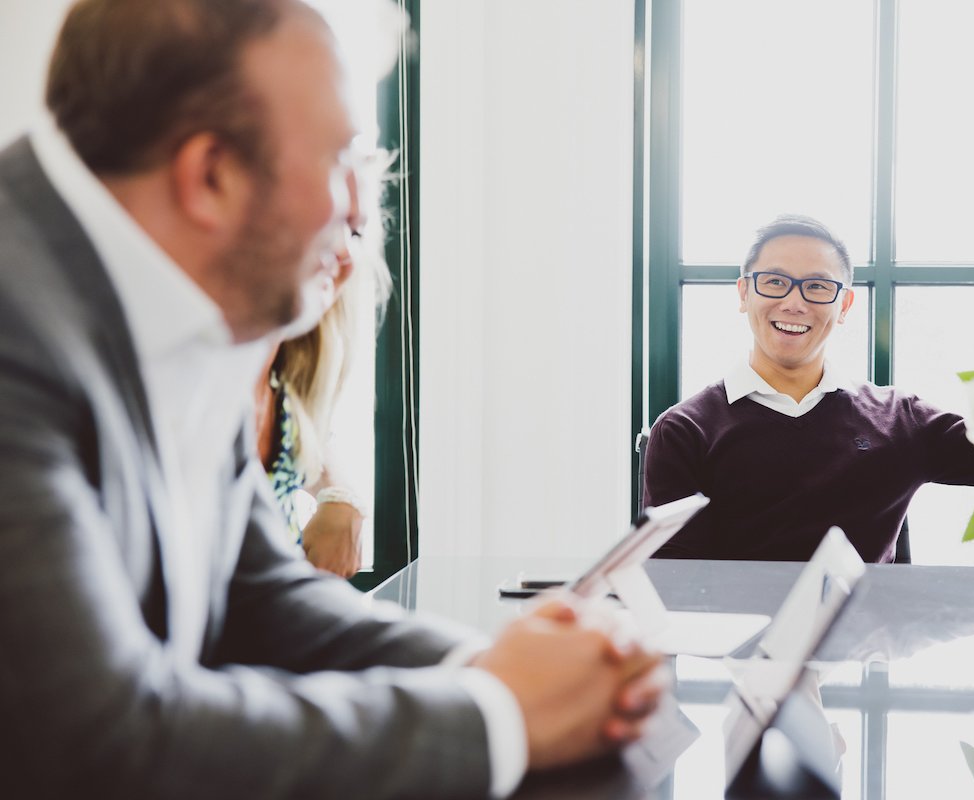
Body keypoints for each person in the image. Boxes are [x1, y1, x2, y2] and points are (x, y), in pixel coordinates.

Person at [0, 1, 662, 797]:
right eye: (339, 158)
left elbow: (264, 599)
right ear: (210, 175)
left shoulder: (168, 302)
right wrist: (505, 714)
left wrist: (492, 667)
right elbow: (95, 743)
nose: (355, 209)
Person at [643, 214, 974, 563]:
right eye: (774, 282)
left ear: (844, 305)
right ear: (744, 293)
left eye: (817, 287)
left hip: (863, 630)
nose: (794, 303)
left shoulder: (899, 419)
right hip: (738, 631)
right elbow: (676, 583)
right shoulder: (684, 431)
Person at [255, 161, 390, 578]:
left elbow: (316, 451)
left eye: (355, 231)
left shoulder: (285, 400)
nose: (344, 251)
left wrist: (342, 496)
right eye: (330, 219)